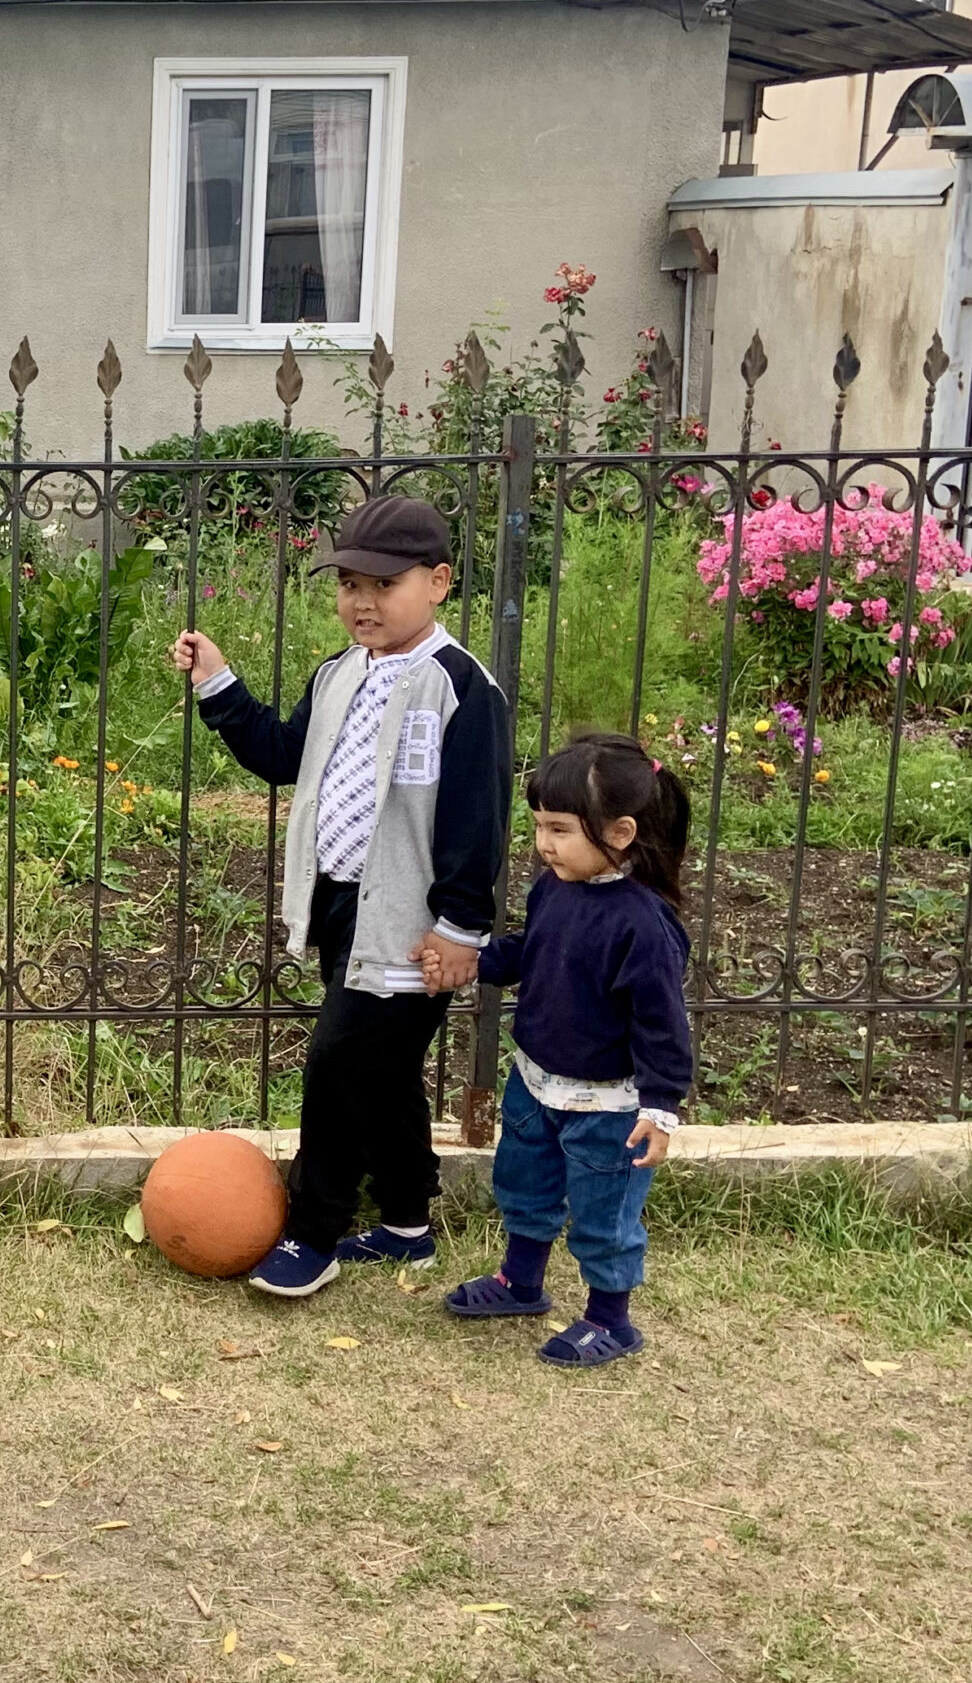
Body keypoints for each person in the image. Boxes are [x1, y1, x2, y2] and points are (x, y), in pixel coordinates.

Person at [170, 493, 509, 1299]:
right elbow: (286, 757)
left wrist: (461, 928)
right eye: (349, 583)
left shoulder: (461, 688)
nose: (361, 601)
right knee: (381, 1070)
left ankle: (313, 1229)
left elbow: (477, 820)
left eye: (382, 585)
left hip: (412, 920)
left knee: (340, 1064)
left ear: (438, 582)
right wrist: (221, 687)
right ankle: (404, 1225)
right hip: (339, 906)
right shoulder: (336, 674)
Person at [443, 733, 693, 1368]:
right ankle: (520, 1284)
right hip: (535, 1083)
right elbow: (536, 951)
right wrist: (478, 961)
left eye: (557, 829)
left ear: (620, 832)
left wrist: (660, 1108)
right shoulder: (556, 887)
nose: (542, 844)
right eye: (537, 827)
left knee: (603, 1215)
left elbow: (662, 1023)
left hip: (609, 1107)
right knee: (524, 1186)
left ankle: (611, 1320)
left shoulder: (642, 922)